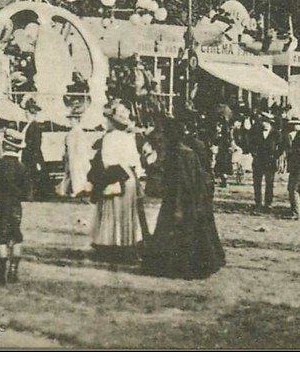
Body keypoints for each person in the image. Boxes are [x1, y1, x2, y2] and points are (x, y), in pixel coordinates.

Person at [142, 117, 225, 279]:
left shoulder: (179, 154)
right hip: (189, 199)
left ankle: (179, 266)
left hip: (180, 199)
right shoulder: (184, 151)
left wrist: (178, 207)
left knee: (179, 231)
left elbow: (181, 182)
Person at [89, 101, 147, 261]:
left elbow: (107, 161)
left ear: (112, 122)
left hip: (114, 176)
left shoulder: (108, 138)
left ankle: (110, 244)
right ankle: (127, 243)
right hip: (129, 177)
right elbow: (136, 161)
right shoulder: (129, 138)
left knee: (111, 211)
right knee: (127, 211)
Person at [0, 127, 31, 284]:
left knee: (0, 237)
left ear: (4, 146)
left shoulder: (0, 164)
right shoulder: (22, 167)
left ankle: (1, 274)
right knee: (16, 235)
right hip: (15, 206)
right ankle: (13, 271)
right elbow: (27, 192)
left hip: (0, 205)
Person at [246, 110, 283, 211]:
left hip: (270, 162)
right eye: (263, 122)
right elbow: (250, 143)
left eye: (266, 122)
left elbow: (281, 147)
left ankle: (268, 203)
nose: (264, 124)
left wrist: (275, 155)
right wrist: (253, 152)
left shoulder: (276, 134)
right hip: (258, 161)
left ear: (271, 123)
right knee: (257, 183)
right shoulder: (256, 133)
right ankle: (258, 202)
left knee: (269, 183)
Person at [59, 102, 93, 199]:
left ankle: (78, 191)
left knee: (78, 174)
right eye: (70, 119)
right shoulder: (71, 133)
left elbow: (82, 149)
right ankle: (68, 191)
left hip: (77, 158)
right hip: (71, 157)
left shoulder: (79, 133)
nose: (70, 121)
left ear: (77, 120)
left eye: (72, 119)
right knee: (70, 174)